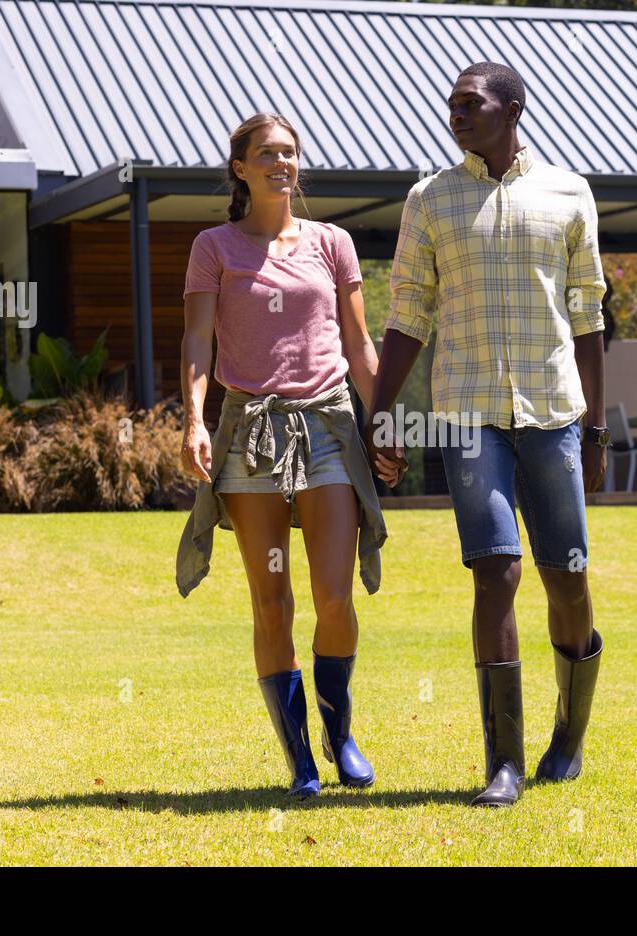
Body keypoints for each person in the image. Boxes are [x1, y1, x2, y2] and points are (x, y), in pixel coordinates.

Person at [366, 62, 609, 808]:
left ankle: (567, 734)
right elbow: (407, 314)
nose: (456, 116)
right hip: (468, 416)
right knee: (494, 571)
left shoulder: (568, 194)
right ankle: (502, 762)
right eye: (451, 106)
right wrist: (381, 410)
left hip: (553, 416)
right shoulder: (430, 200)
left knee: (566, 577)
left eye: (470, 104)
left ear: (513, 108)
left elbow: (589, 316)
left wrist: (597, 428)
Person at [176, 112, 405, 800]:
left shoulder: (332, 242)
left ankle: (340, 730)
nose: (283, 162)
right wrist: (194, 418)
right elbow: (197, 342)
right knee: (271, 601)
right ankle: (301, 759)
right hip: (250, 430)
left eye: (291, 152)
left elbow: (362, 346)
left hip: (329, 424)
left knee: (333, 595)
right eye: (268, 153)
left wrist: (382, 417)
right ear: (240, 168)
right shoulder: (214, 246)